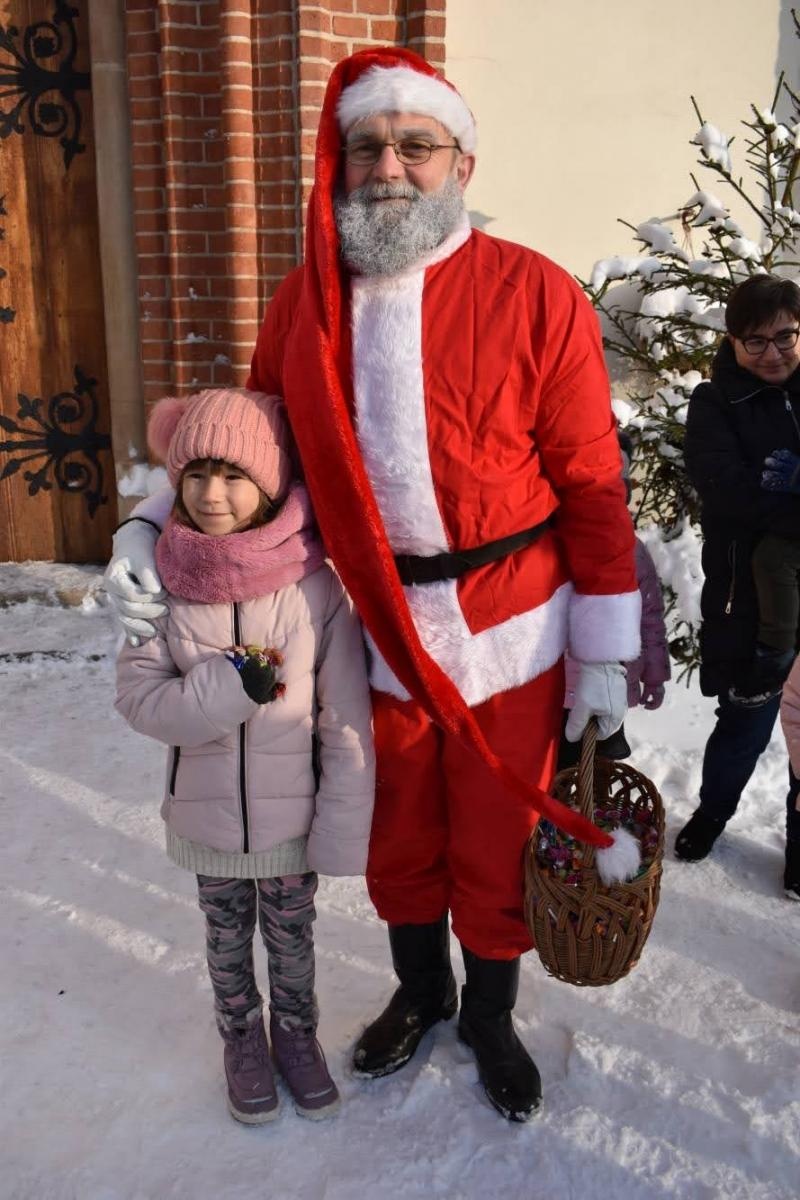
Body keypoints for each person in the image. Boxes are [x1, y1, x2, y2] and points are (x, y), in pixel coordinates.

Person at [105, 48, 641, 1123]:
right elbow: (249, 450)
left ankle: (488, 1011)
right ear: (336, 163)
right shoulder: (304, 301)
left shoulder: (534, 293)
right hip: (371, 628)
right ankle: (420, 989)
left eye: (414, 144)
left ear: (461, 161)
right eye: (365, 146)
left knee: (494, 835)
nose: (388, 165)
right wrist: (149, 523)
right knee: (396, 827)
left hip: (513, 627)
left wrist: (602, 647)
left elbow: (589, 481)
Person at [114, 387, 375, 1124]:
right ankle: (241, 1038)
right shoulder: (161, 583)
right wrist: (227, 689)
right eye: (195, 474)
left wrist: (341, 828)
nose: (211, 492)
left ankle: (296, 1035)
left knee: (292, 939)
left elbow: (346, 720)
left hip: (292, 820)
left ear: (268, 482)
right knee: (226, 940)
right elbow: (139, 700)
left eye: (232, 475)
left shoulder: (312, 586)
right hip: (207, 820)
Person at [675, 274, 800, 896]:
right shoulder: (715, 402)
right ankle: (713, 812)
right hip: (746, 597)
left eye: (785, 336)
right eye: (756, 342)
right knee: (744, 719)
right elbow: (726, 491)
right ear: (732, 342)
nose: (773, 353)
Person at [559, 430, 671, 769]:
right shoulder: (554, 544)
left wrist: (654, 674)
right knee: (558, 764)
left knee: (596, 763)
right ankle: (552, 818)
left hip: (613, 687)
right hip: (556, 693)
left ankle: (591, 813)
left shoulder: (632, 551)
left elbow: (649, 616)